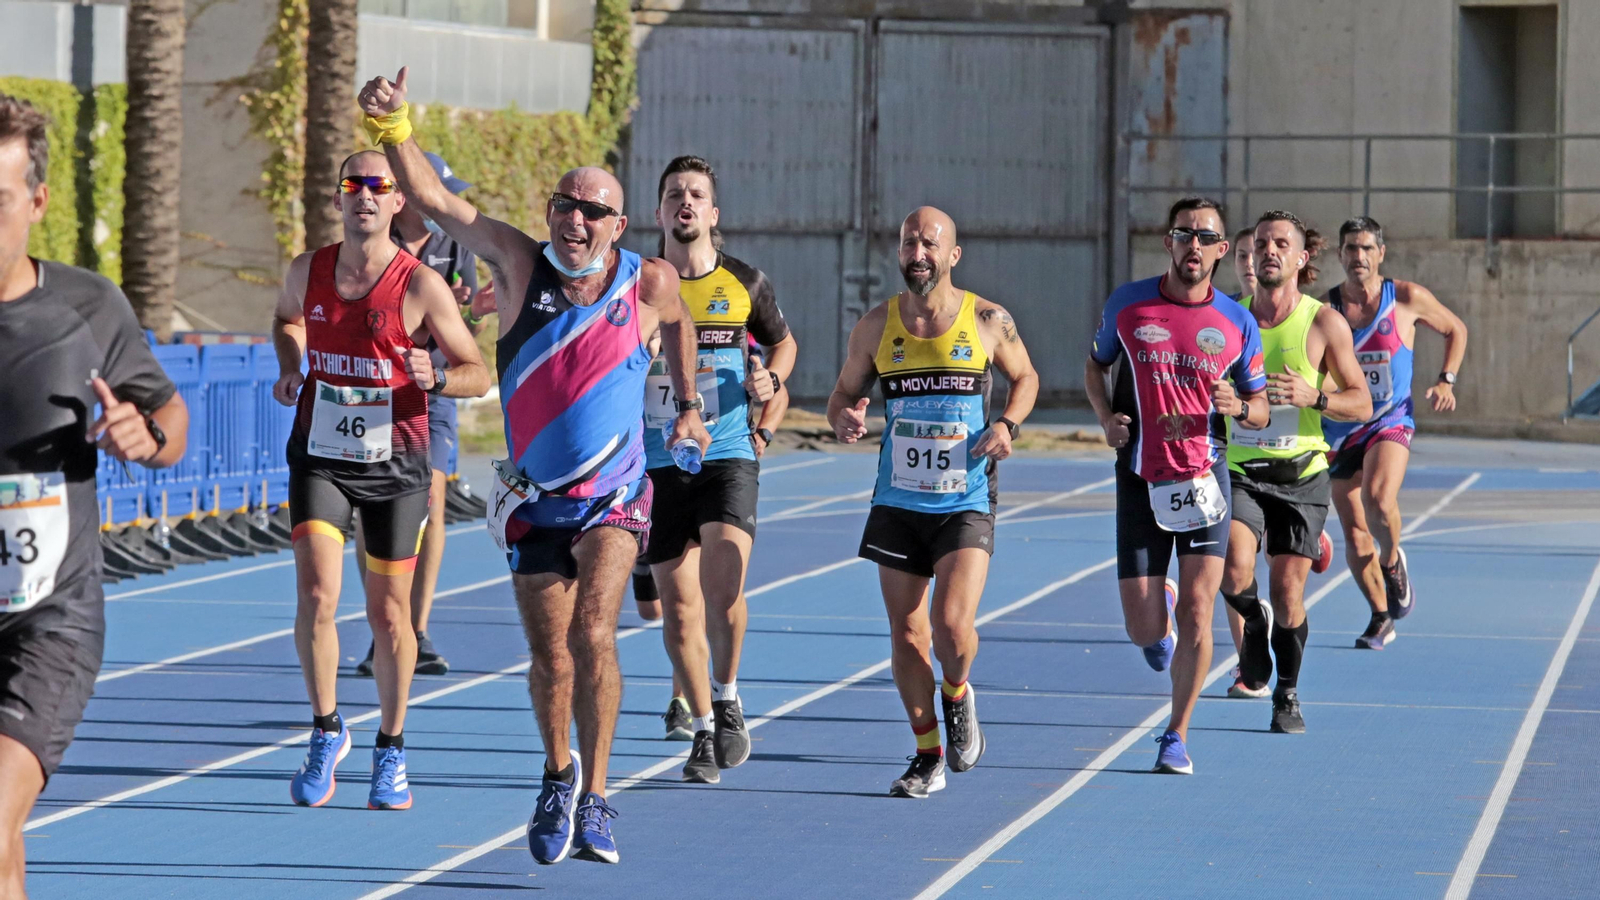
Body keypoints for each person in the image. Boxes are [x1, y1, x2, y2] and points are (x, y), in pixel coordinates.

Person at [359, 67, 709, 864]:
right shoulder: (518, 265)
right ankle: (558, 774)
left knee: (596, 632)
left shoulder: (647, 281)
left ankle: (597, 798)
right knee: (550, 655)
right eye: (563, 203)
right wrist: (394, 126)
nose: (574, 218)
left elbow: (682, 325)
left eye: (592, 210)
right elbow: (441, 203)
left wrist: (686, 400)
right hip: (533, 500)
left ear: (619, 225)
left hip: (616, 495)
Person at [0, 94, 189, 896]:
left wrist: (146, 439)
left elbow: (170, 417)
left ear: (37, 203)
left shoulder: (85, 308)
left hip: (50, 617)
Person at [270, 149, 491, 811]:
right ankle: (325, 728)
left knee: (390, 616)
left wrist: (440, 377)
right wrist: (291, 365)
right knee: (315, 591)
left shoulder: (419, 284)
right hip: (321, 456)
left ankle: (391, 747)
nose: (364, 195)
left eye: (379, 186)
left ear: (400, 203)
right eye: (353, 184)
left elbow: (478, 369)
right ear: (338, 198)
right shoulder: (306, 271)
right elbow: (285, 321)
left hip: (396, 465)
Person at [828, 207, 1039, 799]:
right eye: (908, 242)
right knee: (907, 634)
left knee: (950, 627)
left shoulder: (989, 320)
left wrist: (1008, 425)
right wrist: (843, 415)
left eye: (930, 242)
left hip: (965, 497)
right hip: (898, 501)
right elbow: (842, 393)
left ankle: (958, 691)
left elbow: (1027, 379)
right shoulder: (874, 326)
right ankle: (926, 755)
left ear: (953, 255)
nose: (918, 252)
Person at [1084, 196, 1269, 775]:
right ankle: (1153, 606)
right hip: (1140, 475)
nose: (1194, 245)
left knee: (1198, 610)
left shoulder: (1238, 323)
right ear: (1169, 242)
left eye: (1205, 237)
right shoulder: (1128, 305)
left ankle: (1176, 734)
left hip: (1204, 479)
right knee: (1146, 629)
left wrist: (1240, 404)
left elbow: (1260, 408)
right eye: (1184, 234)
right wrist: (1104, 418)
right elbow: (1095, 366)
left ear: (1221, 250)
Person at [643, 156, 797, 783]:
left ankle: (728, 696)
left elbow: (783, 343)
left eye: (696, 194)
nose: (685, 202)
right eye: (674, 193)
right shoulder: (635, 283)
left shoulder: (745, 284)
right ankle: (704, 727)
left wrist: (773, 377)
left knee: (724, 584)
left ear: (712, 214)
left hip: (728, 451)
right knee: (678, 610)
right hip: (655, 462)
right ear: (658, 214)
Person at [1218, 211, 1371, 733]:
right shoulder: (1228, 318)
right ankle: (1252, 627)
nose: (1269, 251)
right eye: (1261, 243)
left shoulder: (1323, 322)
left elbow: (1363, 402)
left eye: (1281, 243)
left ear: (1302, 258)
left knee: (1288, 593)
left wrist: (1316, 396)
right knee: (1232, 567)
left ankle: (1286, 694)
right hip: (1239, 469)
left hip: (1302, 473)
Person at [354, 151, 489, 678]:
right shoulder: (370, 242)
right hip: (370, 394)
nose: (441, 203)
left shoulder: (456, 244)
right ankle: (381, 629)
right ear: (402, 195)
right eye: (432, 190)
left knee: (428, 497)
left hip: (429, 392)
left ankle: (419, 626)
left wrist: (463, 310)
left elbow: (468, 338)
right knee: (374, 505)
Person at [1322, 217, 1468, 649]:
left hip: (1390, 419)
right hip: (1344, 428)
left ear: (1381, 253)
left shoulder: (1404, 298)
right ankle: (1380, 615)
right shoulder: (1325, 311)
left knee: (1378, 500)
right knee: (1352, 532)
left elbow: (1456, 329)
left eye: (1367, 248)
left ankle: (1391, 562)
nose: (1358, 257)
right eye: (1350, 249)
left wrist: (1447, 379)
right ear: (1340, 255)